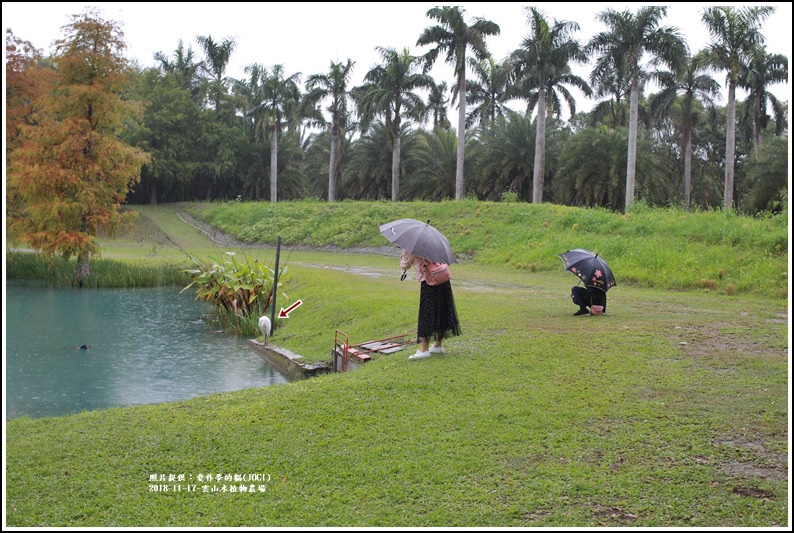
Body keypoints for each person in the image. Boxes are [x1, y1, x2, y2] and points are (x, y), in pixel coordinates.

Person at [400, 248, 461, 360]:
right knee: (442, 311)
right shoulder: (432, 244)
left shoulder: (410, 249)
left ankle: (424, 350)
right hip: (443, 279)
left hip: (429, 283)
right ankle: (437, 345)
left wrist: (403, 254)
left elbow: (405, 265)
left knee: (427, 314)